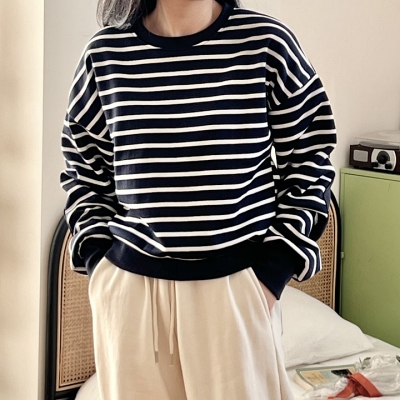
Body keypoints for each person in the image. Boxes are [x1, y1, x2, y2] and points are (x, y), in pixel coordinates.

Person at [60, 0, 336, 398]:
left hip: (237, 288)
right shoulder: (105, 55)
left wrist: (272, 273)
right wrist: (100, 265)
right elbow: (83, 170)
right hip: (131, 293)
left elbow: (311, 157)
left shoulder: (266, 43)